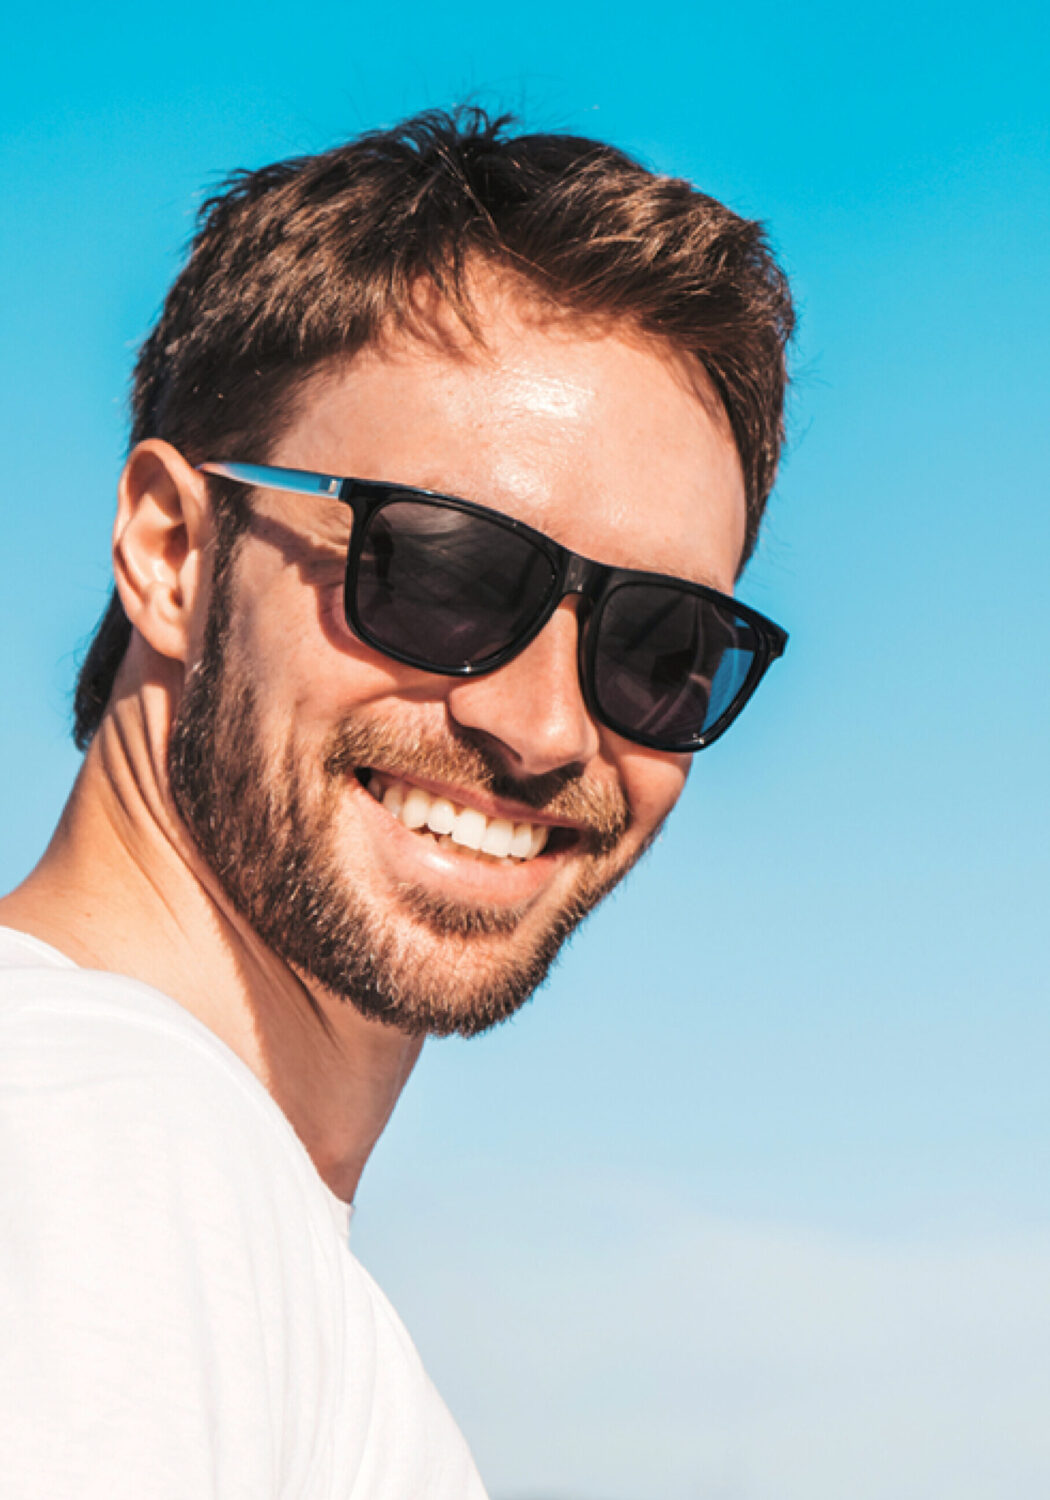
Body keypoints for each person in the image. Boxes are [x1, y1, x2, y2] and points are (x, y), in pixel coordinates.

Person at [0, 107, 794, 1497]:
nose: (544, 728)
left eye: (659, 646)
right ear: (175, 552)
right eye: (440, 572)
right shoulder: (96, 1149)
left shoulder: (209, 1213)